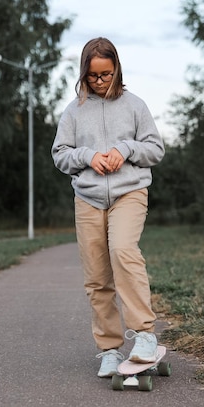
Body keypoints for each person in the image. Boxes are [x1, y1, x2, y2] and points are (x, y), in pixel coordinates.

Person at [51, 37, 165, 378]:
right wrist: (88, 156)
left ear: (117, 70)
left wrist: (126, 148)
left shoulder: (135, 105)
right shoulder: (73, 111)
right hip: (88, 198)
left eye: (107, 74)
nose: (100, 82)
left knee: (123, 250)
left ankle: (144, 335)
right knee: (97, 278)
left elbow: (155, 149)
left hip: (129, 193)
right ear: (83, 74)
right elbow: (60, 154)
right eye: (93, 76)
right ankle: (110, 350)